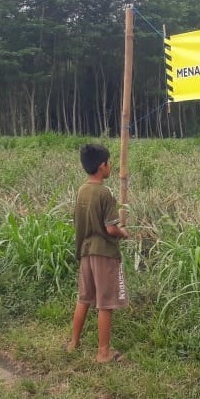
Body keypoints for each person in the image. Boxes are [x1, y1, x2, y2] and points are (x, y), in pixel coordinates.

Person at [66, 143, 129, 363]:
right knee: (105, 303)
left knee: (84, 298)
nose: (110, 166)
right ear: (102, 166)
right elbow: (110, 228)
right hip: (104, 254)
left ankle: (73, 343)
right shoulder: (105, 194)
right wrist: (123, 233)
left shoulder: (82, 190)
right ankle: (103, 353)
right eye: (109, 163)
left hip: (86, 251)